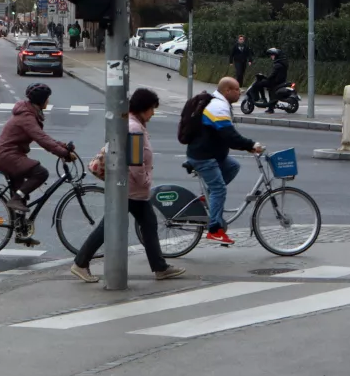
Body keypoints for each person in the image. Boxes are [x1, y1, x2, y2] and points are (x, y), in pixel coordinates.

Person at [71, 89, 186, 283]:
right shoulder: (134, 128)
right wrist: (145, 181)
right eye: (152, 109)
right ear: (143, 108)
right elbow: (134, 161)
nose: (153, 114)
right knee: (110, 226)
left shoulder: (134, 124)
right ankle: (81, 263)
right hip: (131, 189)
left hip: (132, 189)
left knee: (147, 224)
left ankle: (160, 267)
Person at [186, 77, 264, 245]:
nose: (240, 92)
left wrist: (247, 147)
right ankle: (214, 230)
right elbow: (230, 136)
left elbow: (227, 136)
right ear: (227, 91)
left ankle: (207, 197)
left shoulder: (219, 103)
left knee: (233, 166)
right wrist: (251, 144)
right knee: (219, 189)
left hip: (210, 153)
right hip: (204, 156)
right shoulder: (218, 107)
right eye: (237, 90)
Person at [0, 83, 76, 214]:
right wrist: (63, 153)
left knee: (22, 196)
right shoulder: (26, 117)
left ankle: (20, 231)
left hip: (11, 155)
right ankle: (16, 199)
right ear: (42, 100)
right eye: (47, 98)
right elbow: (41, 139)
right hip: (8, 156)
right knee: (41, 173)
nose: (48, 101)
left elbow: (43, 136)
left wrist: (63, 146)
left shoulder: (29, 113)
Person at [251, 48, 289, 113]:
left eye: (272, 55)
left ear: (276, 56)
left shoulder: (277, 65)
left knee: (259, 84)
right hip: (280, 81)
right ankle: (270, 108)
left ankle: (263, 99)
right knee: (269, 89)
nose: (271, 57)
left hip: (275, 81)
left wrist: (265, 77)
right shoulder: (282, 63)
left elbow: (272, 75)